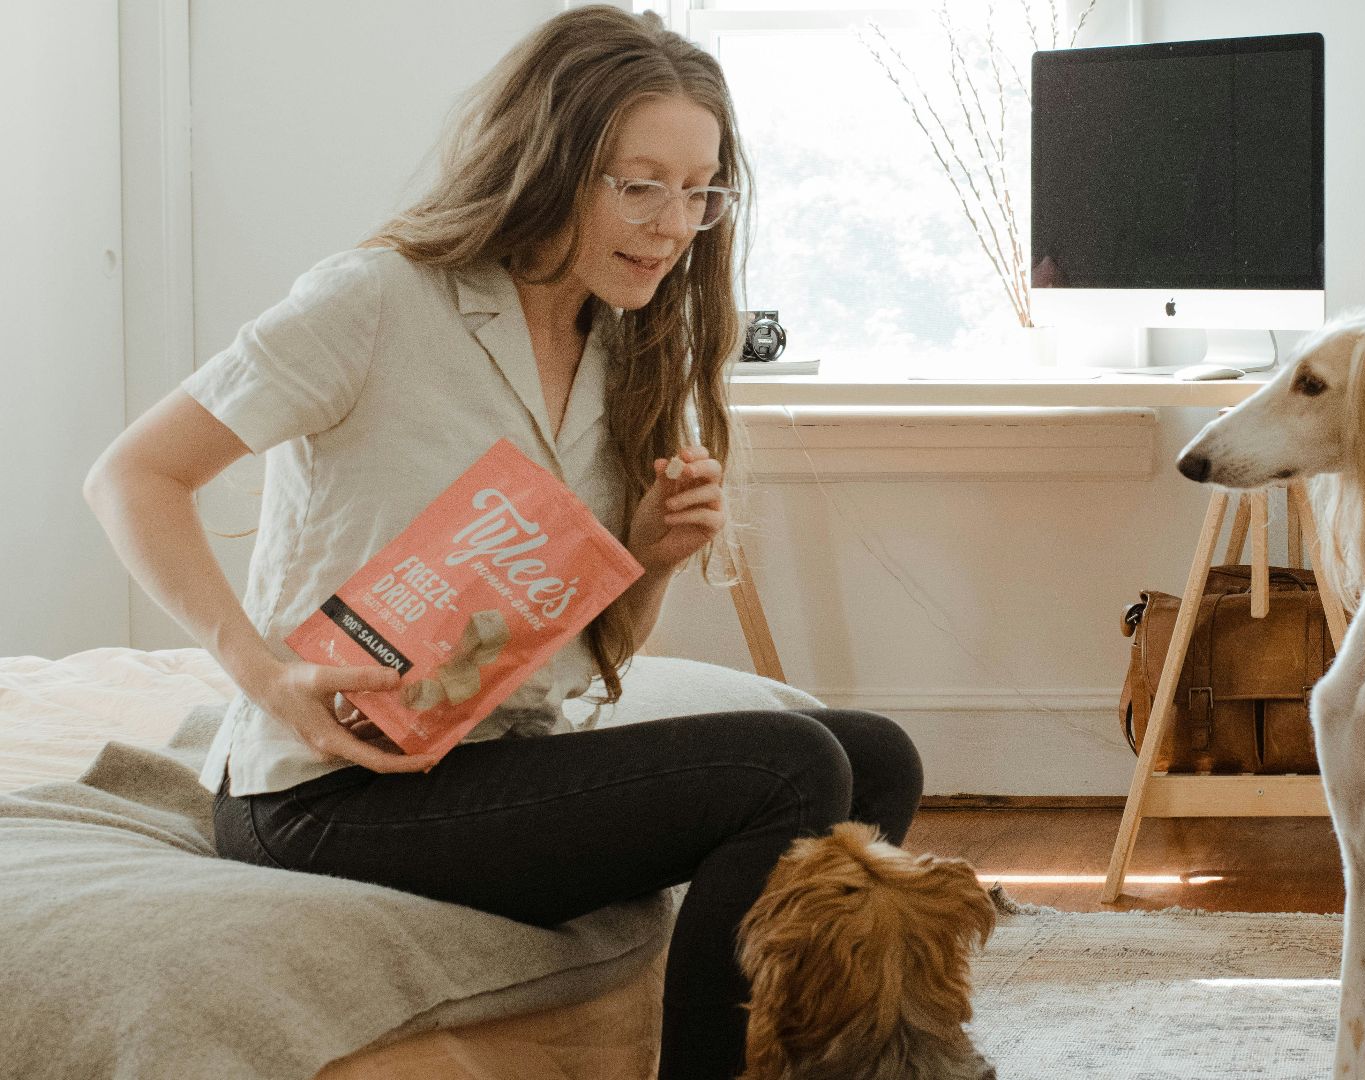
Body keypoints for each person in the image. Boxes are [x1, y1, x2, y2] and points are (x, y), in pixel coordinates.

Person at [80, 8, 922, 1077]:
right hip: (326, 790)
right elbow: (131, 476)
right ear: (552, 163)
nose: (673, 223)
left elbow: (581, 653)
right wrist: (263, 674)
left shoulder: (626, 353)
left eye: (700, 190)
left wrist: (650, 553)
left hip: (494, 758)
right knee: (790, 762)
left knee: (877, 757)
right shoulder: (379, 301)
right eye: (638, 182)